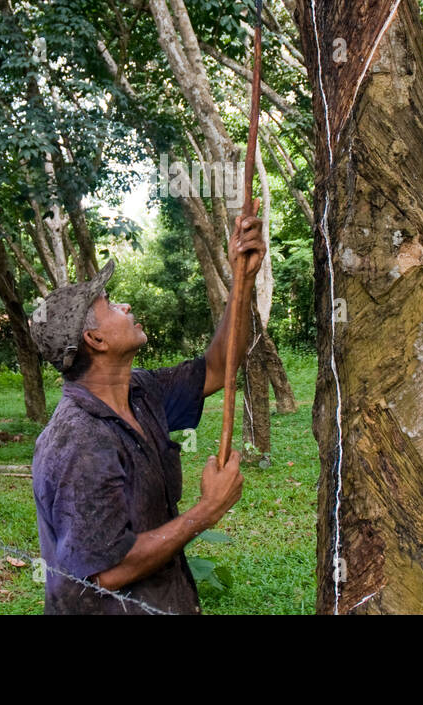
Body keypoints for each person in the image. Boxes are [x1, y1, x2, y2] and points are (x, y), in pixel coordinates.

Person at [28, 209, 265, 614]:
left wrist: (241, 278)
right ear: (95, 339)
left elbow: (217, 366)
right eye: (110, 304)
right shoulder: (77, 442)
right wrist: (207, 511)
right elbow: (107, 571)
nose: (125, 304)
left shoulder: (141, 392)